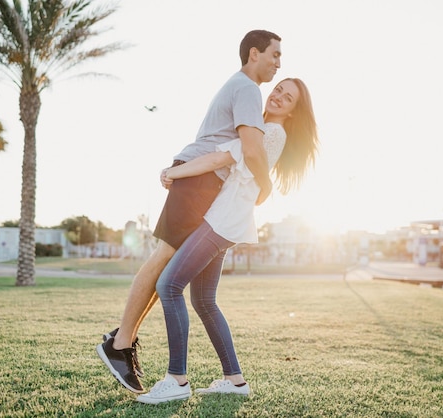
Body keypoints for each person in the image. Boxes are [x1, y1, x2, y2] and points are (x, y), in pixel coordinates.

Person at [96, 29, 282, 394]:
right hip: (200, 181)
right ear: (254, 54)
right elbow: (252, 149)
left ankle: (123, 340)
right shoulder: (247, 88)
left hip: (205, 182)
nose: (278, 63)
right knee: (163, 258)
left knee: (170, 269)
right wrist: (267, 187)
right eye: (275, 55)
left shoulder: (242, 88)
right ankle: (118, 345)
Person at [135, 77, 319, 404]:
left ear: (292, 111)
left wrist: (172, 172)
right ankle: (235, 380)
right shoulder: (259, 128)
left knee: (169, 285)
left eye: (287, 98)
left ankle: (177, 379)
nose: (277, 96)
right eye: (278, 89)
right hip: (227, 220)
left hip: (221, 221)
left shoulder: (270, 133)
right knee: (203, 300)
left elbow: (220, 160)